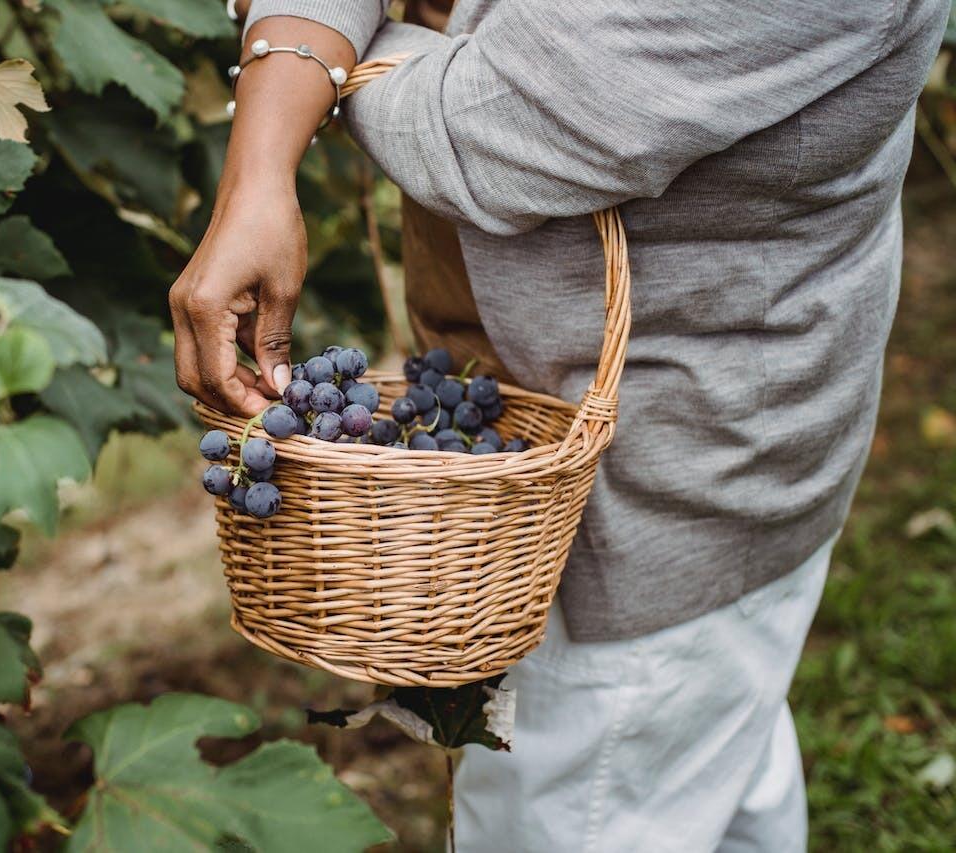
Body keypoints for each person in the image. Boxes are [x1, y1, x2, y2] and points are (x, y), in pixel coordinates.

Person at [168, 1, 948, 849]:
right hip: (532, 441)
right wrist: (269, 147)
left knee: (601, 772)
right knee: (706, 756)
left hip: (670, 485)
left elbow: (486, 122)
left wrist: (302, 61)